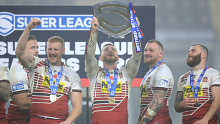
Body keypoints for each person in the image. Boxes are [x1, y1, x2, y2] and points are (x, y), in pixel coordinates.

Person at [15, 18, 82, 124]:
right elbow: (19, 51)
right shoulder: (36, 64)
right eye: (50, 49)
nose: (52, 52)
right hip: (36, 120)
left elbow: (78, 107)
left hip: (60, 121)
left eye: (56, 49)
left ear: (63, 51)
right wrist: (28, 28)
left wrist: (68, 122)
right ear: (46, 50)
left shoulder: (73, 75)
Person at [85, 16, 142, 124]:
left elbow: (137, 57)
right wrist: (93, 32)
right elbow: (89, 57)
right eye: (106, 49)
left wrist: (135, 32)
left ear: (118, 57)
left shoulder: (126, 73)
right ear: (100, 58)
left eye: (113, 49)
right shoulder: (94, 73)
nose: (110, 51)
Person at [174, 44, 220, 124]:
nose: (189, 53)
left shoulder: (214, 74)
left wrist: (205, 120)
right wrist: (181, 104)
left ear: (203, 55)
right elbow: (176, 106)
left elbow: (218, 100)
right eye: (188, 51)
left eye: (193, 51)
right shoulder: (183, 77)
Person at [137, 40, 174, 124]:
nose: (146, 53)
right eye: (145, 50)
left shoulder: (162, 70)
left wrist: (142, 122)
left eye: (151, 50)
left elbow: (158, 102)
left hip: (159, 121)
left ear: (161, 54)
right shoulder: (151, 72)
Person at [6, 35, 39, 124]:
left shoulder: (39, 68)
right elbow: (23, 105)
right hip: (19, 120)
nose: (37, 50)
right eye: (32, 48)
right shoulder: (18, 70)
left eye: (37, 47)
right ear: (22, 51)